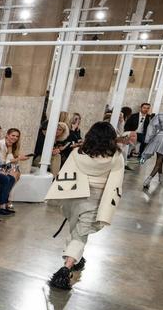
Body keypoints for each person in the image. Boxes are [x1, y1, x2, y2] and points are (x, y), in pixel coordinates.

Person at [45, 121, 124, 290]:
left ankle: (76, 259)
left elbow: (66, 173)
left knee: (76, 230)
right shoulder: (116, 156)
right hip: (96, 198)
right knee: (81, 234)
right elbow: (117, 181)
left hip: (75, 195)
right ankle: (66, 268)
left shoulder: (78, 153)